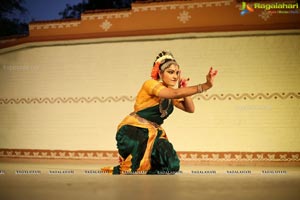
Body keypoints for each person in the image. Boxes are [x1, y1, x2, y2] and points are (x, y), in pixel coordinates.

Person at [102, 50, 218, 175]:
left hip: (154, 133)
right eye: (171, 72)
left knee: (171, 165)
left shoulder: (169, 91)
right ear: (160, 73)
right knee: (134, 169)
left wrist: (183, 87)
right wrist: (205, 86)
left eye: (177, 73)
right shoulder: (151, 84)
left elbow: (190, 109)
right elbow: (175, 93)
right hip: (134, 131)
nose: (175, 76)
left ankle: (148, 174)